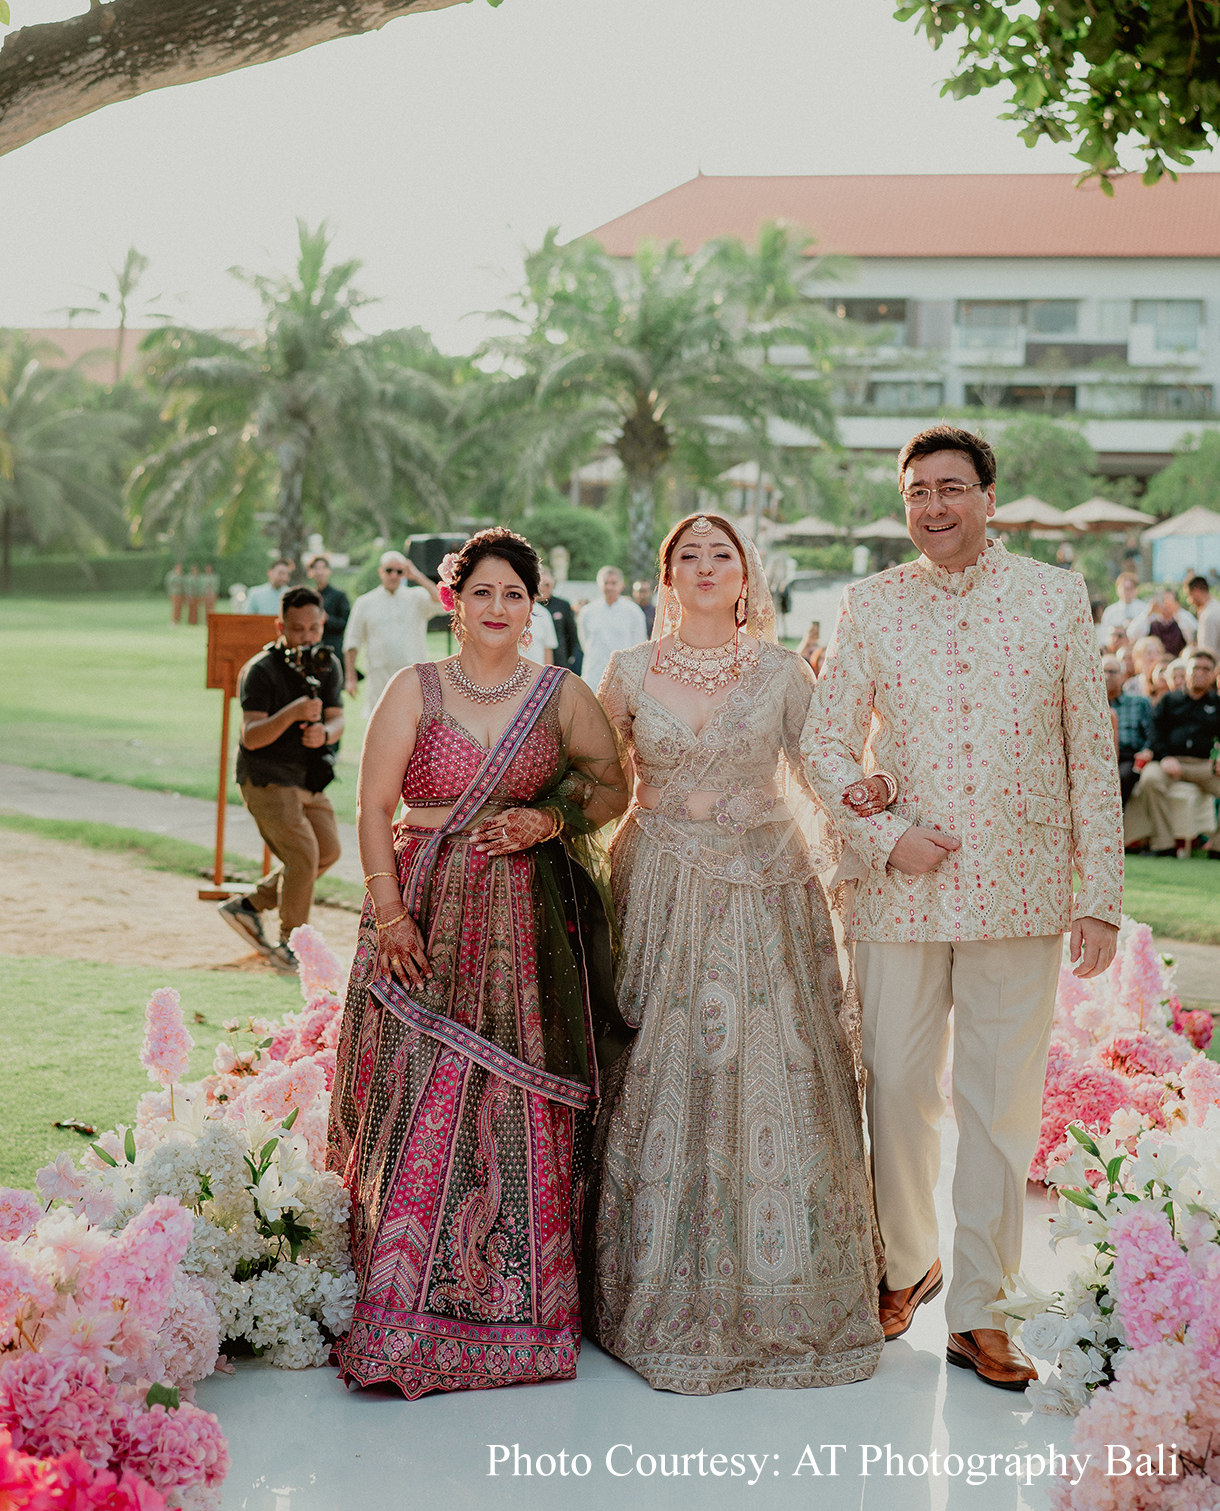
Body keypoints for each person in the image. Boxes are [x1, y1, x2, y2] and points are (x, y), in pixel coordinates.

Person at [802, 423, 1121, 1392]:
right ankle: (907, 1263)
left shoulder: (1052, 596)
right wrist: (882, 834)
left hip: (1021, 888)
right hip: (900, 890)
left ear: (987, 497)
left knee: (997, 1107)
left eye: (950, 488)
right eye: (916, 492)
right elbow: (824, 744)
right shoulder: (870, 604)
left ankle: (982, 1309)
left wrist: (1099, 896)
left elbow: (1088, 749)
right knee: (896, 1086)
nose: (932, 507)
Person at [327, 528, 630, 1397]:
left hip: (527, 930)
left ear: (535, 608)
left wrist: (549, 819)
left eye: (515, 595)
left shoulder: (561, 695)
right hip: (422, 912)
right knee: (418, 1089)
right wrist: (391, 915)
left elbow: (613, 788)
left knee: (513, 1095)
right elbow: (373, 807)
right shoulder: (413, 689)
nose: (499, 608)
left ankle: (518, 1312)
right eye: (483, 592)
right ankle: (396, 1302)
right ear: (454, 601)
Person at [593, 513, 885, 1394]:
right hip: (660, 886)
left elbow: (824, 770)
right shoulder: (628, 670)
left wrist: (876, 809)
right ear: (667, 578)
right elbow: (596, 784)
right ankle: (650, 1282)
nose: (706, 566)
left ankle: (787, 1290)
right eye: (688, 555)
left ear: (747, 576)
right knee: (659, 1063)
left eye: (722, 554)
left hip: (766, 885)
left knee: (775, 1062)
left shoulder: (784, 671)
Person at [218, 585, 345, 974]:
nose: (306, 637)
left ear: (323, 623)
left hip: (309, 777)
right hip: (267, 776)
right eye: (297, 629)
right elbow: (251, 736)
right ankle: (291, 944)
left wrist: (325, 733)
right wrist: (293, 713)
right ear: (280, 627)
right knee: (303, 855)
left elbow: (337, 718)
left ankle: (249, 906)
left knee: (327, 850)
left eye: (313, 628)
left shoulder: (328, 663)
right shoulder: (260, 670)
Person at [1124, 647, 1220, 857]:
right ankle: (1163, 844)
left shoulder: (1216, 704)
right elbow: (1155, 733)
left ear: (1213, 674)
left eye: (1206, 669)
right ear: (1187, 671)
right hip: (1170, 761)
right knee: (1150, 780)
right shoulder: (1169, 701)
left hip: (1203, 765)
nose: (1200, 672)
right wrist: (1165, 756)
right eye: (1195, 668)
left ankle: (1217, 847)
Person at [342, 551, 443, 714]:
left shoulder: (417, 596)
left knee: (413, 720)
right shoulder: (364, 602)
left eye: (399, 571)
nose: (394, 575)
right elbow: (352, 641)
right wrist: (350, 678)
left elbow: (442, 602)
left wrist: (417, 576)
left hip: (413, 675)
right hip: (379, 676)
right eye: (389, 570)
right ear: (380, 571)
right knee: (380, 720)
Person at [576, 565, 647, 693]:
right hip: (593, 674)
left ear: (621, 585)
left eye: (613, 583)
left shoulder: (633, 612)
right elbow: (584, 643)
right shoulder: (587, 612)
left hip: (623, 676)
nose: (609, 587)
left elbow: (639, 645)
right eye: (606, 583)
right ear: (599, 584)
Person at [1103, 653, 1153, 805]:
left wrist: (1146, 750)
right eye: (1103, 671)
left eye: (1112, 672)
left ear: (1123, 676)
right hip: (1101, 756)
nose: (1107, 676)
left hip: (1128, 756)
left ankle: (1115, 816)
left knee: (1121, 777)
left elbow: (1151, 733)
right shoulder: (1092, 705)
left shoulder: (1139, 702)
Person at [1130, 587, 1196, 658]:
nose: (1166, 605)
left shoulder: (1181, 620)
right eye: (1163, 600)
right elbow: (1132, 634)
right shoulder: (1151, 621)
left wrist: (1178, 612)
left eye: (1170, 601)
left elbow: (1193, 633)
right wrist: (1148, 613)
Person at [307, 554, 350, 659]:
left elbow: (347, 623)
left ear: (328, 571)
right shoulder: (309, 596)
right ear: (310, 572)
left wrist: (327, 619)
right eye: (316, 568)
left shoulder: (339, 595)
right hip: (313, 646)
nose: (319, 572)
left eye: (322, 568)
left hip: (334, 647)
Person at [537, 566, 580, 670]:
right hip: (537, 657)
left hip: (559, 659)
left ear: (553, 584)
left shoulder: (563, 605)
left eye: (547, 585)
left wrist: (566, 655)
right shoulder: (530, 607)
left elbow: (572, 635)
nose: (543, 588)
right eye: (540, 585)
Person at [1099, 572, 1148, 639]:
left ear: (1136, 590)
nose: (1127, 592)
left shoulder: (1145, 609)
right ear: (1117, 590)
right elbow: (1104, 635)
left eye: (1130, 588)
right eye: (1124, 588)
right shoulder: (1110, 611)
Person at [518, 591, 558, 665]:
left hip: (537, 668)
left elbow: (548, 648)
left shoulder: (543, 613)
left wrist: (546, 671)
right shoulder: (506, 611)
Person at [1187, 575, 1220, 660]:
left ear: (1196, 592)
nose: (1189, 601)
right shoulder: (1216, 607)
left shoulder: (1208, 616)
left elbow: (1206, 653)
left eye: (1189, 595)